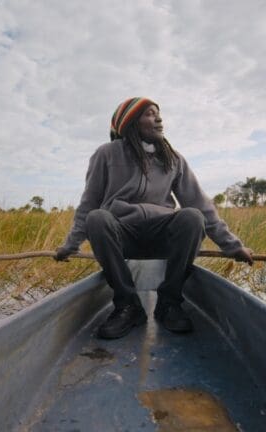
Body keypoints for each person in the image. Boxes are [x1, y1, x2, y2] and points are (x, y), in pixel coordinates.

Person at [54, 97, 253, 339]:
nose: (158, 119)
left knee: (192, 216)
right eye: (149, 114)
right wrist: (70, 245)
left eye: (158, 113)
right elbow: (88, 203)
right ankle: (128, 305)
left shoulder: (173, 159)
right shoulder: (106, 154)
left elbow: (200, 203)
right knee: (97, 218)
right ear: (131, 123)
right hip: (122, 234)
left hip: (162, 236)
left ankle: (169, 303)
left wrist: (233, 246)